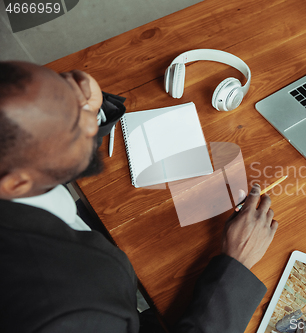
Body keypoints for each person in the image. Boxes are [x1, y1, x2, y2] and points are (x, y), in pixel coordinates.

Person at [0, 61, 278, 333]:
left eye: (65, 85)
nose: (90, 120)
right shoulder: (71, 307)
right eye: (74, 126)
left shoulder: (14, 171)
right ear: (16, 183)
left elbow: (34, 148)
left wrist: (92, 112)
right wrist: (236, 264)